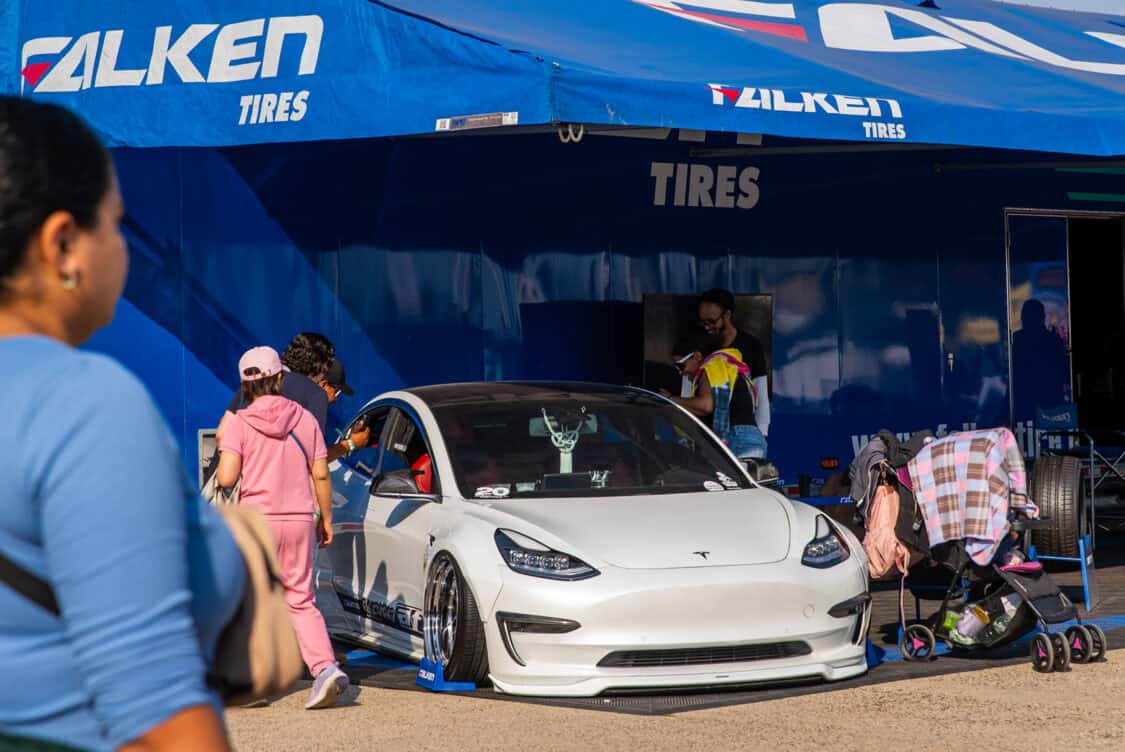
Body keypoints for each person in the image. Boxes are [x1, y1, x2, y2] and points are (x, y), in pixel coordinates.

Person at [0, 97, 243, 750]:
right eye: (114, 223)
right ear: (62, 245)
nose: (123, 248)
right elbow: (159, 717)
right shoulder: (81, 401)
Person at [214, 346, 349, 710]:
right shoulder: (305, 419)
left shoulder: (240, 422)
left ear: (244, 384)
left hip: (258, 523)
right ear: (279, 378)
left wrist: (232, 449)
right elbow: (320, 473)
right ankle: (325, 669)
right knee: (301, 601)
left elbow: (226, 478)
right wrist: (326, 518)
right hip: (300, 520)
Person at [215, 335, 370, 466]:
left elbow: (222, 435)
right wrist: (350, 444)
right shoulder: (314, 394)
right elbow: (315, 459)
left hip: (230, 485)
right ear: (320, 365)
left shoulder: (257, 382)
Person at [663, 332, 766, 458]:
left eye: (681, 366)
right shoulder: (727, 366)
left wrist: (670, 399)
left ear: (696, 356)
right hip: (750, 438)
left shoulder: (711, 366)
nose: (680, 372)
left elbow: (705, 406)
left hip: (738, 439)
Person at [697, 288, 770, 452]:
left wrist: (762, 432)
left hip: (743, 433)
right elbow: (689, 387)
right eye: (702, 322)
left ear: (727, 315)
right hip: (709, 436)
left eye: (711, 321)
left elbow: (760, 391)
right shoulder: (701, 345)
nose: (706, 327)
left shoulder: (750, 345)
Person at [1011, 297, 1070, 422]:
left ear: (1023, 318)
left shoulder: (1017, 340)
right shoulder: (1053, 341)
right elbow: (1064, 372)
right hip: (1051, 406)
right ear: (1042, 317)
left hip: (1023, 403)